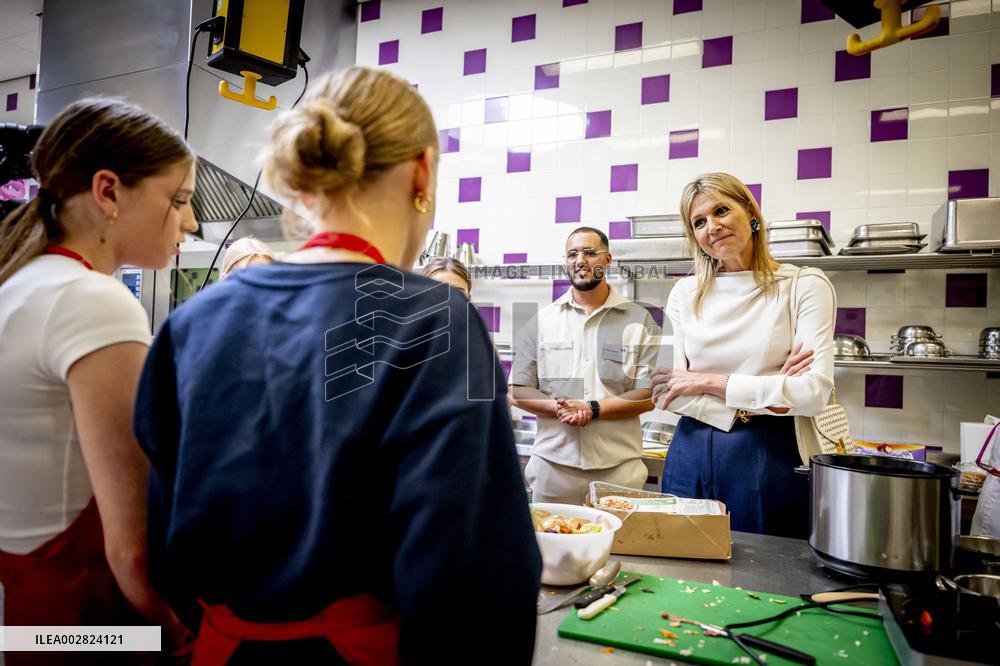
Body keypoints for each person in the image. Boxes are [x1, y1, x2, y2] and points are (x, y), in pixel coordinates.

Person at [133, 65, 540, 665]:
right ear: (422, 172)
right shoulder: (436, 318)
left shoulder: (191, 322)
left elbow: (159, 542)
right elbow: (472, 576)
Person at [0, 98, 195, 660]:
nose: (190, 221)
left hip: (28, 616)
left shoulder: (22, 278)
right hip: (84, 628)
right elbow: (131, 552)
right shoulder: (91, 300)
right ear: (108, 191)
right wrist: (175, 637)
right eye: (178, 199)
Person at [650, 172, 834, 539]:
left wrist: (706, 381)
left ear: (750, 212)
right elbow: (665, 392)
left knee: (764, 581)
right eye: (698, 222)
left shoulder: (803, 286)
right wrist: (771, 389)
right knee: (682, 567)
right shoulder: (685, 293)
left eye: (721, 211)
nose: (712, 227)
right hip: (688, 453)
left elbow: (814, 394)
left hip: (766, 456)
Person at [509, 227, 660, 505]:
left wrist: (591, 409)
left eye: (590, 253)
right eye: (572, 254)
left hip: (619, 473)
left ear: (608, 260)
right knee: (550, 546)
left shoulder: (640, 320)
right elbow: (519, 391)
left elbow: (647, 395)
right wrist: (563, 409)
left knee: (622, 550)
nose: (580, 260)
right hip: (553, 471)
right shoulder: (541, 321)